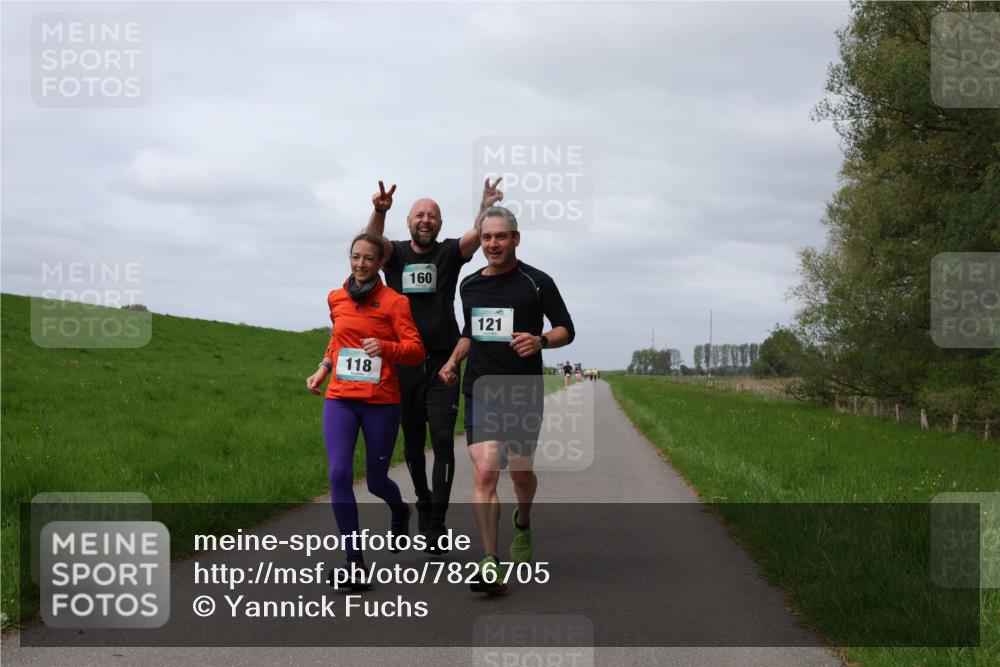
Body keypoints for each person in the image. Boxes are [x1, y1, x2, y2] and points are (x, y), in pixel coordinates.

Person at [439, 206, 575, 594]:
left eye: (500, 237)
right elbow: (470, 333)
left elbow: (567, 328)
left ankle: (524, 520)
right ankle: (490, 561)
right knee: (484, 472)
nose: (492, 244)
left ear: (516, 239)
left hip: (522, 390)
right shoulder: (469, 285)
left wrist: (542, 340)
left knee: (519, 474)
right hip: (481, 387)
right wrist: (452, 361)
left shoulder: (537, 282)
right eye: (486, 237)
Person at [366, 178, 502, 551]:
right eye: (420, 215)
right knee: (411, 444)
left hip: (443, 361)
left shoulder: (447, 253)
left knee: (442, 440)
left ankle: (437, 524)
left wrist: (486, 204)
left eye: (433, 216)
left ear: (440, 224)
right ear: (409, 221)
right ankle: (423, 501)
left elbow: (476, 235)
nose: (426, 220)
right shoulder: (392, 254)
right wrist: (380, 211)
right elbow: (372, 243)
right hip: (402, 363)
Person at [306, 232, 425, 586]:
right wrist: (323, 368)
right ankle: (355, 562)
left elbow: (416, 350)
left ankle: (400, 510)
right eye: (355, 257)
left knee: (375, 481)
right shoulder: (336, 297)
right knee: (339, 474)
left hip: (381, 403)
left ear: (380, 263)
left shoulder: (395, 302)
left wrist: (386, 347)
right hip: (340, 399)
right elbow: (337, 341)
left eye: (368, 259)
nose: (360, 264)